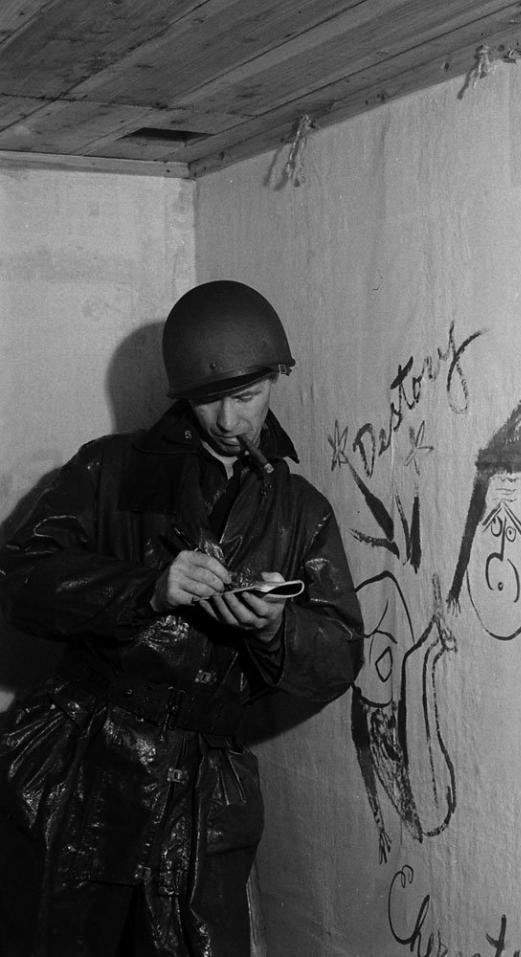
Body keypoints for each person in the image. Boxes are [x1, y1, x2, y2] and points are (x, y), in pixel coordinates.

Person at [0, 280, 365, 956]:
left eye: (247, 396)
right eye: (208, 400)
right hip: (76, 772)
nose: (229, 421)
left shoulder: (301, 510)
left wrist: (271, 628)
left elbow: (341, 650)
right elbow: (19, 576)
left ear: (279, 379)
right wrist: (147, 588)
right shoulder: (110, 470)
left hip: (202, 796)